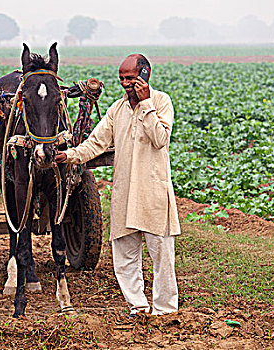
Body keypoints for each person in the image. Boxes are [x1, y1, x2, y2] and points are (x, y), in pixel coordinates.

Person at [55, 54, 181, 316]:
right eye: (122, 78)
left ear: (145, 74)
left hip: (153, 193)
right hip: (124, 193)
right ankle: (138, 307)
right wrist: (69, 156)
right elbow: (96, 143)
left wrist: (146, 103)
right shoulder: (117, 110)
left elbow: (160, 139)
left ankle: (165, 310)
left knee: (162, 257)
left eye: (131, 78)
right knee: (124, 258)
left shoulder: (161, 102)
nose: (125, 84)